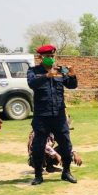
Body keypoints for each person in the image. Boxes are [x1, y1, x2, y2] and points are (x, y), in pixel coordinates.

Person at [27, 44, 78, 186]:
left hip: (59, 115)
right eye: (47, 56)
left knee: (66, 144)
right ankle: (38, 175)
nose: (50, 58)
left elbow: (72, 85)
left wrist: (72, 76)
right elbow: (32, 84)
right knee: (38, 146)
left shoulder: (60, 71)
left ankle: (66, 172)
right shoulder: (33, 71)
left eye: (52, 56)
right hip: (42, 116)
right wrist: (47, 75)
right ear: (40, 57)